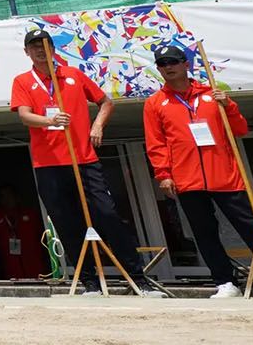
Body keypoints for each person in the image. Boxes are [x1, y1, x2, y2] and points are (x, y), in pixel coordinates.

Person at [141, 45, 253, 298]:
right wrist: (164, 174)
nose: (167, 67)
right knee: (204, 233)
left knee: (252, 228)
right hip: (187, 179)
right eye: (162, 64)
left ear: (185, 64)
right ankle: (225, 281)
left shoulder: (212, 94)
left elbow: (239, 129)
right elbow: (156, 142)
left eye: (172, 62)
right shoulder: (155, 103)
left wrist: (228, 106)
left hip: (225, 175)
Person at [9, 30, 162, 296]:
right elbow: (24, 115)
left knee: (107, 215)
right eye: (33, 46)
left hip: (83, 159)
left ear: (53, 49)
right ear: (26, 52)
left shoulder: (72, 75)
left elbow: (105, 102)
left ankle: (138, 277)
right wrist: (50, 121)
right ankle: (89, 281)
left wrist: (97, 126)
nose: (39, 50)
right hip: (48, 164)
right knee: (67, 223)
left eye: (44, 45)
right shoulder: (23, 81)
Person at [0, 185, 46, 279]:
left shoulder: (31, 214)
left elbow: (42, 237)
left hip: (34, 265)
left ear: (17, 197)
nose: (7, 200)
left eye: (9, 196)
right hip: (12, 269)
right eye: (3, 196)